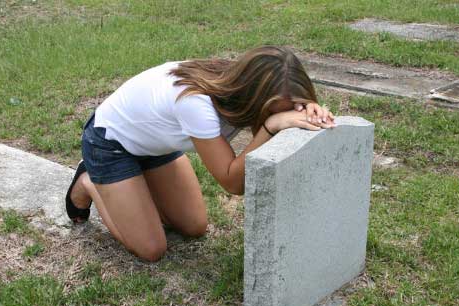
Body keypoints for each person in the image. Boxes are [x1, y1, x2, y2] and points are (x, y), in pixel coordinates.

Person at [65, 45, 335, 262]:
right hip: (110, 143)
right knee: (151, 248)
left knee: (194, 226)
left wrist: (310, 109)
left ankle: (135, 185)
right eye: (276, 110)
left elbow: (284, 97)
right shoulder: (196, 103)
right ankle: (89, 181)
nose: (284, 115)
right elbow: (231, 181)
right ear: (254, 97)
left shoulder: (241, 82)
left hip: (156, 145)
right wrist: (269, 127)